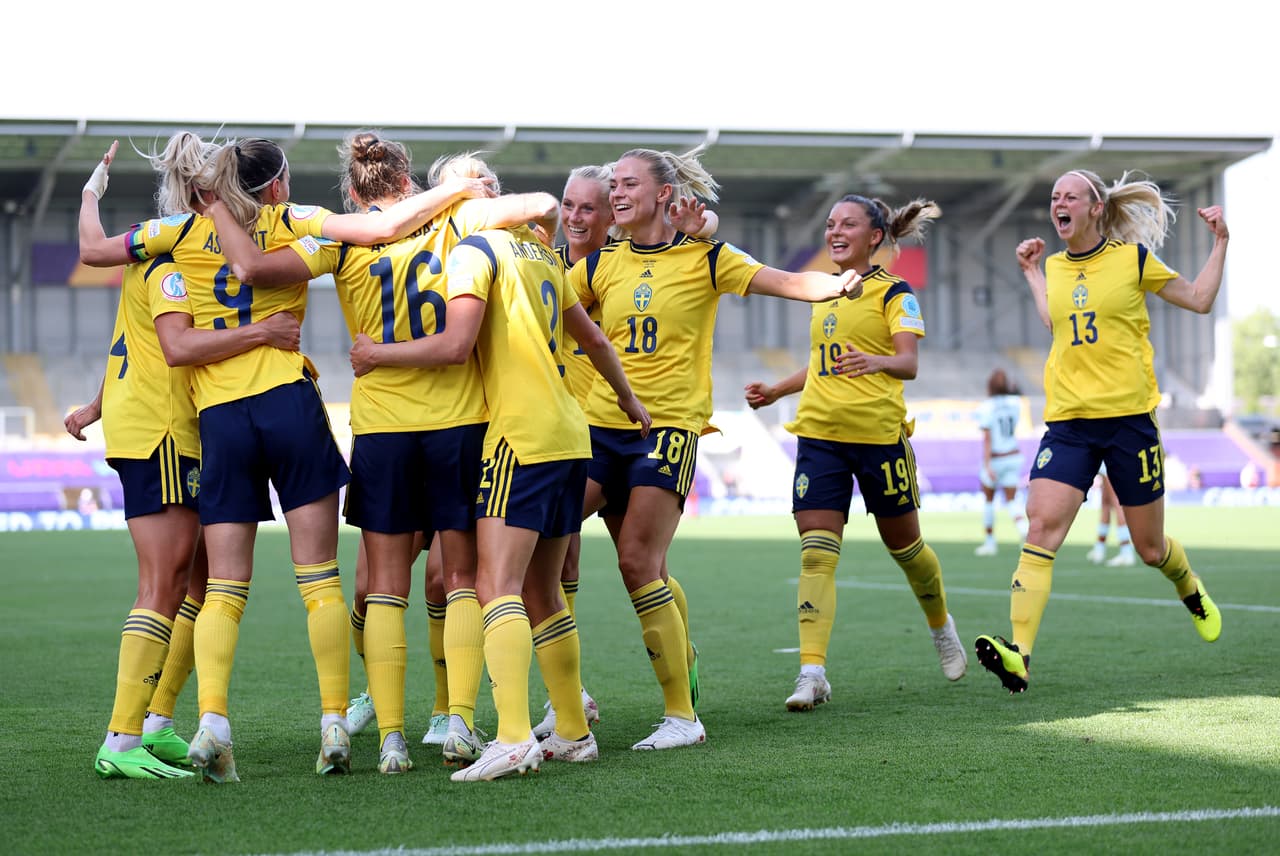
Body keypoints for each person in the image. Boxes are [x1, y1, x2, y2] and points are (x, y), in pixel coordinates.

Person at [77, 136, 486, 781]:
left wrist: (90, 197)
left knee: (224, 588)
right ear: (273, 185)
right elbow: (382, 226)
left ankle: (210, 722)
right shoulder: (290, 222)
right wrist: (457, 189)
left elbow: (96, 252)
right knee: (319, 576)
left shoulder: (172, 236)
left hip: (221, 421)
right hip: (292, 405)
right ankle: (333, 725)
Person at [213, 135, 559, 773]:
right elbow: (540, 203)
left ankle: (392, 741)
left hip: (381, 429)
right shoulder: (454, 219)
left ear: (352, 192)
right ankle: (460, 725)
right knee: (461, 581)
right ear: (408, 184)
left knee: (386, 590)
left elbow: (256, 270)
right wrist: (472, 192)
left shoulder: (340, 240)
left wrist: (211, 203)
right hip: (461, 421)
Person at [569, 146, 862, 748]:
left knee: (635, 563)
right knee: (541, 533)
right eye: (613, 185)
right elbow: (546, 302)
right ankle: (568, 700)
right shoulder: (602, 264)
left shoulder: (707, 257)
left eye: (628, 185)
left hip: (668, 430)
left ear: (661, 194)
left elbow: (781, 280)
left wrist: (835, 286)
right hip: (600, 428)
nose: (616, 194)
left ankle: (683, 718)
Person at [348, 218, 650, 780]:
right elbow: (596, 339)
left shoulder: (473, 251)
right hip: (569, 432)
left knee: (495, 586)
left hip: (518, 436)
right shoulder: (540, 254)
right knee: (543, 592)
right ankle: (573, 730)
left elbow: (456, 345)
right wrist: (629, 401)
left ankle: (512, 737)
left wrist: (375, 355)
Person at [71, 135, 304, 779]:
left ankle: (155, 722)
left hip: (160, 420)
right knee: (165, 581)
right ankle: (120, 741)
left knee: (198, 583)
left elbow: (132, 331)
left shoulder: (162, 245)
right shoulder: (177, 247)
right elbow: (175, 347)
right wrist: (264, 333)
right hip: (166, 428)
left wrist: (91, 193)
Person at [975, 169, 1228, 694]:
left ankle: (1190, 587)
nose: (1058, 203)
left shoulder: (1133, 261)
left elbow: (1201, 299)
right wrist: (1030, 272)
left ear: (1095, 208)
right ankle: (1019, 656)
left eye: (1070, 196)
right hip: (1069, 423)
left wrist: (1221, 242)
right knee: (1040, 526)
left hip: (1129, 423)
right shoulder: (1054, 265)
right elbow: (1056, 320)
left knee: (1151, 548)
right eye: (1053, 197)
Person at [745, 193, 967, 712]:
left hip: (879, 438)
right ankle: (812, 671)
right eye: (829, 224)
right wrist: (779, 390)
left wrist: (875, 359)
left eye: (847, 224)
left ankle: (940, 626)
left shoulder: (897, 292)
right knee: (817, 553)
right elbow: (823, 362)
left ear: (875, 237)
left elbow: (908, 362)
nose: (834, 231)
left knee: (907, 551)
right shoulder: (823, 294)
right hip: (820, 437)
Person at [531, 164, 716, 742]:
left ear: (613, 217)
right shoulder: (560, 266)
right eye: (571, 205)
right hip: (584, 430)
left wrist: (704, 226)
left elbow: (693, 242)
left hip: (638, 427)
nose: (578, 216)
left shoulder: (625, 262)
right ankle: (569, 700)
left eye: (592, 206)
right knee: (547, 551)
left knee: (641, 563)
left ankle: (678, 689)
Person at [975, 368, 1029, 556]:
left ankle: (990, 542)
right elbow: (1019, 393)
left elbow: (987, 439)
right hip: (1013, 454)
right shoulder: (1015, 403)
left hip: (997, 458)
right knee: (1012, 500)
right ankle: (1024, 532)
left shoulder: (986, 407)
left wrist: (987, 464)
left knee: (989, 500)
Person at [1087, 466, 1136, 566]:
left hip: (1109, 459)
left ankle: (1126, 552)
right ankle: (1099, 549)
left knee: (1116, 502)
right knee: (1105, 502)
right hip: (1105, 461)